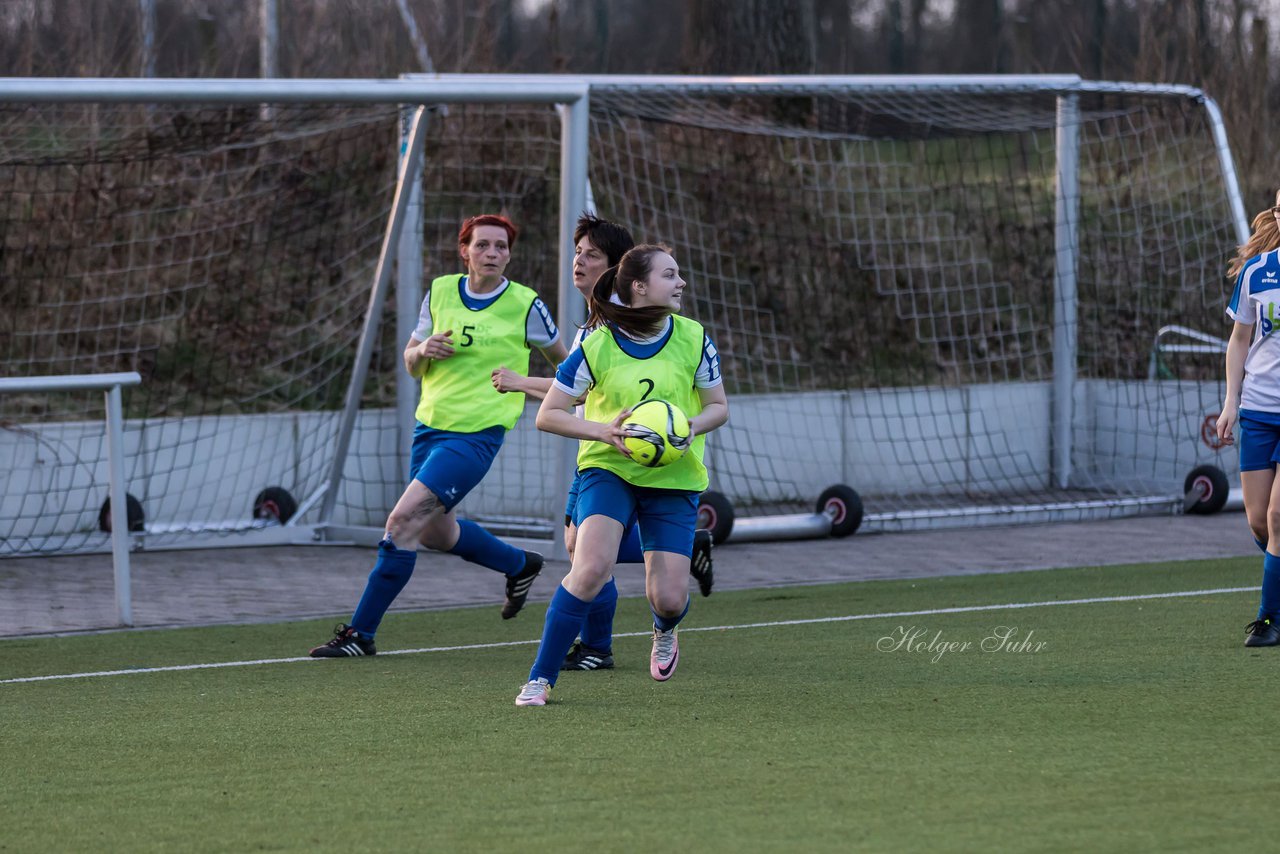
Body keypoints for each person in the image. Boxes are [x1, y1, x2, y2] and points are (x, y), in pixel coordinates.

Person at [310, 214, 567, 657]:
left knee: (401, 523)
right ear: (463, 250)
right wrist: (422, 350)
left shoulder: (526, 304)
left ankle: (360, 634)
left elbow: (569, 369)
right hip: (429, 426)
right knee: (433, 534)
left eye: (501, 247)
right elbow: (412, 362)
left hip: (476, 436)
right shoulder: (441, 291)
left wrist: (523, 384)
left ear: (510, 254)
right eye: (483, 245)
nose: (492, 254)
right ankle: (519, 564)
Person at [492, 214, 714, 674]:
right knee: (585, 554)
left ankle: (605, 641)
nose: (579, 261)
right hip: (603, 459)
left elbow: (574, 391)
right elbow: (566, 395)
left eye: (591, 255)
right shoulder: (597, 329)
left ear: (621, 270)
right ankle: (581, 654)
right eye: (578, 252)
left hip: (648, 466)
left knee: (594, 556)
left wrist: (520, 382)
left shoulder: (644, 330)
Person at [1219, 189, 1280, 647]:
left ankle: (1268, 619)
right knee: (1259, 522)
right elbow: (1240, 341)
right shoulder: (1258, 271)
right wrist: (1228, 402)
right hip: (1258, 410)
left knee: (1279, 517)